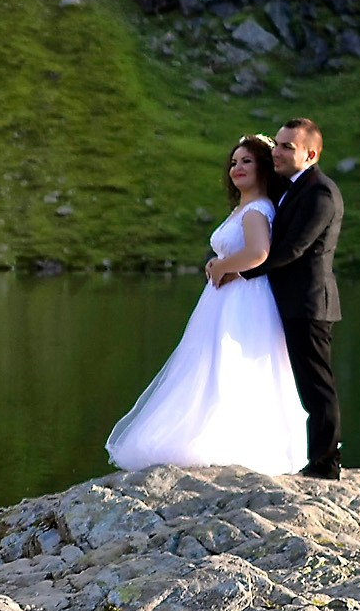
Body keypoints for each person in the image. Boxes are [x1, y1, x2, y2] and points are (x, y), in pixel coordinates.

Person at [105, 135, 309, 475]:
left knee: (229, 364)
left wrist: (221, 266)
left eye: (247, 161)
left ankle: (229, 440)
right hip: (226, 298)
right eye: (233, 162)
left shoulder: (258, 209)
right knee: (211, 364)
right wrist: (222, 266)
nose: (237, 168)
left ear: (263, 167)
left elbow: (259, 253)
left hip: (244, 300)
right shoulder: (243, 208)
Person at [222, 117, 346, 479]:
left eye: (287, 146)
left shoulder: (320, 192)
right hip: (288, 302)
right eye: (276, 144)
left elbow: (293, 248)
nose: (277, 151)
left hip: (309, 303)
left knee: (316, 385)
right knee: (300, 384)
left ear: (311, 153)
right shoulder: (289, 187)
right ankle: (309, 457)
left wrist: (237, 271)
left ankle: (326, 464)